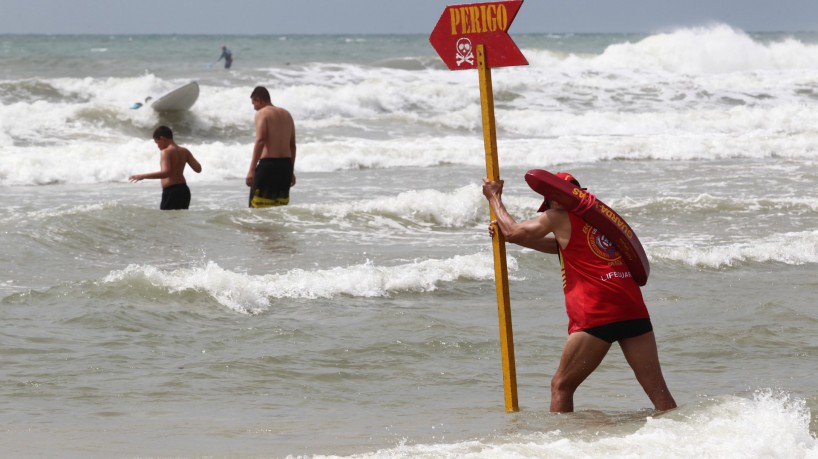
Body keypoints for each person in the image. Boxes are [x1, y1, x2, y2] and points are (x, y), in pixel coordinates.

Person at [482, 172, 677, 413]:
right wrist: (508, 237)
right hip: (633, 309)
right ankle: (683, 441)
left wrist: (494, 198)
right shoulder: (601, 221)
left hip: (597, 312)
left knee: (561, 386)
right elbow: (558, 246)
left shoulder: (557, 216)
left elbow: (515, 232)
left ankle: (563, 445)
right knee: (659, 393)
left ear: (552, 199)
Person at [129, 125, 202, 210]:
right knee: (180, 221)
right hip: (184, 190)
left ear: (162, 138)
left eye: (157, 142)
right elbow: (198, 169)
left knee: (168, 221)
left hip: (171, 192)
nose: (158, 146)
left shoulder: (166, 152)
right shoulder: (185, 151)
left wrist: (142, 176)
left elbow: (166, 173)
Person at [246, 86, 296, 208]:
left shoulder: (262, 113)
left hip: (268, 167)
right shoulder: (287, 114)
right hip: (285, 167)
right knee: (278, 211)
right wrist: (291, 171)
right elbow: (292, 145)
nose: (254, 108)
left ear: (259, 99)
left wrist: (252, 169)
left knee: (256, 209)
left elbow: (261, 140)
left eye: (254, 104)